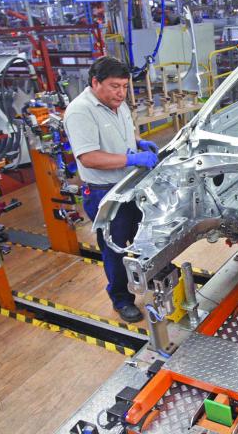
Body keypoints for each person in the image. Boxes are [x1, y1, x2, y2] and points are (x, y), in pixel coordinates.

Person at [63, 57, 160, 323]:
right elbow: (88, 157)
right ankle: (120, 299)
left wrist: (139, 143)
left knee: (145, 237)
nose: (121, 92)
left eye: (124, 86)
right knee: (115, 248)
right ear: (95, 83)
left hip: (130, 185)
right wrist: (132, 160)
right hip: (104, 193)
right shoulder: (80, 111)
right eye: (114, 86)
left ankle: (151, 276)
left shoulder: (118, 104)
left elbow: (122, 135)